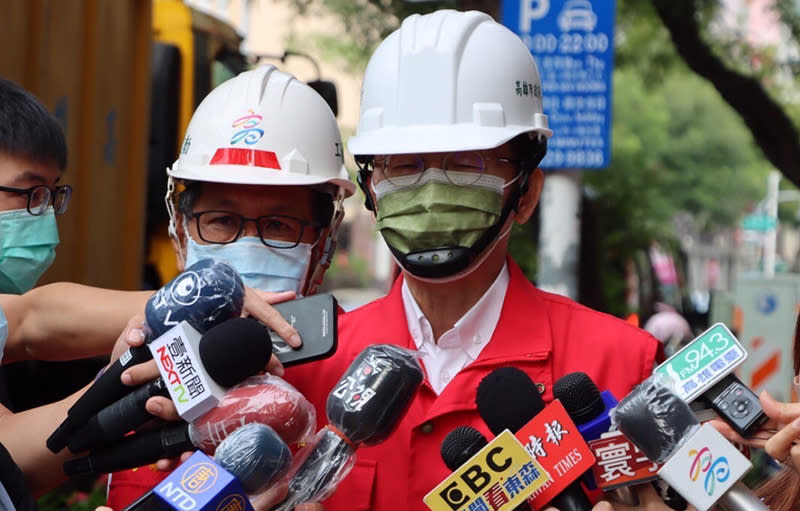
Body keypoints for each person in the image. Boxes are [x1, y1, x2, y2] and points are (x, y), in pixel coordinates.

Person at [282, 10, 661, 511]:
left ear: (525, 195)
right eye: (404, 166)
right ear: (372, 191)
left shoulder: (622, 365)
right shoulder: (307, 373)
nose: (432, 191)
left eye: (466, 163)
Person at [104, 64, 354, 509]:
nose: (247, 244)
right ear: (180, 230)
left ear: (323, 243)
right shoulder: (143, 367)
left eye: (279, 224)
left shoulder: (358, 376)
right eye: (222, 221)